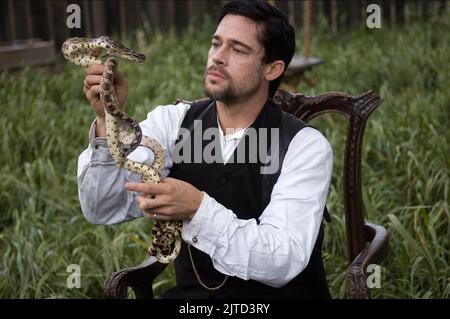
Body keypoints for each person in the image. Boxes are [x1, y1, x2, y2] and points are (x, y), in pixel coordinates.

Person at [78, 0, 333, 299]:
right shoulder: (173, 123)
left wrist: (198, 210)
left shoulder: (304, 146)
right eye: (216, 44)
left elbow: (282, 260)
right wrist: (107, 119)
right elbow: (100, 207)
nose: (218, 58)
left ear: (272, 69)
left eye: (238, 50)